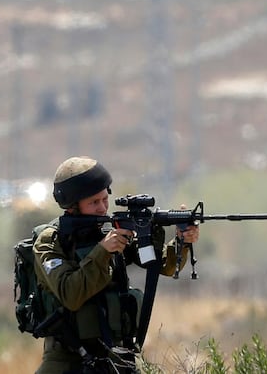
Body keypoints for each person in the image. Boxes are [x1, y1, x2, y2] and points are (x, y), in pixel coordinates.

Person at [33, 156, 200, 374]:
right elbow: (71, 295)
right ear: (72, 206)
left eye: (105, 199)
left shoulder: (111, 230)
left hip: (117, 359)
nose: (103, 208)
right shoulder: (50, 241)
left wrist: (181, 241)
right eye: (94, 202)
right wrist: (103, 251)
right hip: (67, 362)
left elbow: (161, 266)